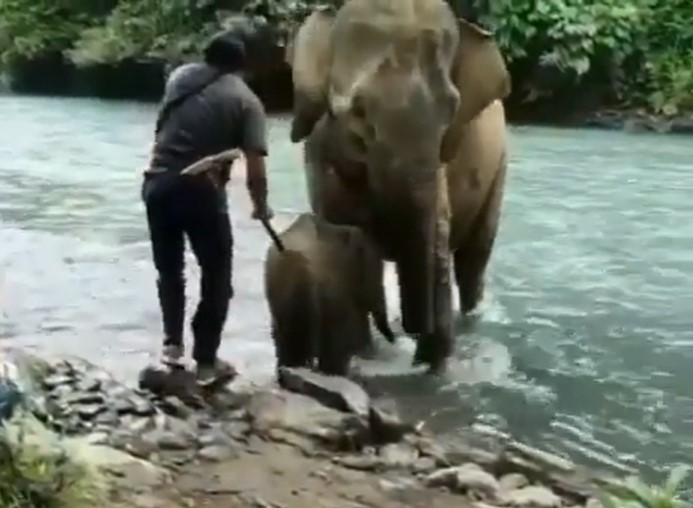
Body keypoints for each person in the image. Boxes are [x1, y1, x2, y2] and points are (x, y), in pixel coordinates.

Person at [141, 29, 273, 387]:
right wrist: (262, 207)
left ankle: (171, 347)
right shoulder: (246, 101)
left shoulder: (180, 78)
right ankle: (205, 362)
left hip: (156, 184)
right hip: (200, 192)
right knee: (217, 278)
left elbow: (166, 130)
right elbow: (256, 169)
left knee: (169, 271)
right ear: (242, 66)